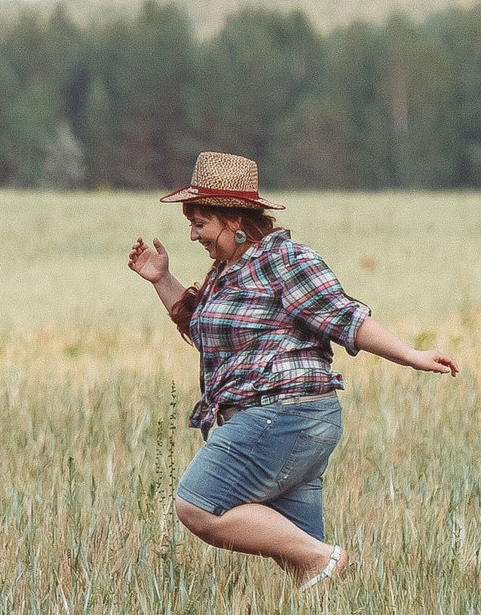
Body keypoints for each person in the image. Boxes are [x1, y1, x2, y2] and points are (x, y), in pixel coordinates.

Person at [127, 151, 457, 589]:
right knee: (310, 576)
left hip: (282, 415)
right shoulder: (228, 271)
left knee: (197, 506)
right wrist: (161, 280)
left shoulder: (282, 259)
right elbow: (205, 330)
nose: (192, 235)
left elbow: (344, 317)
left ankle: (327, 557)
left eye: (200, 223)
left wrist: (412, 355)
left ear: (232, 218)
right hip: (288, 420)